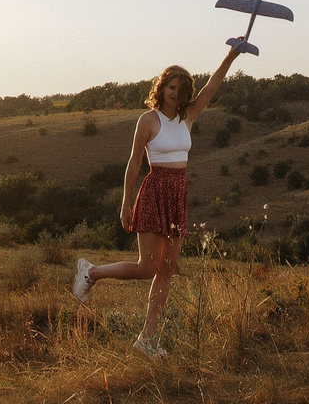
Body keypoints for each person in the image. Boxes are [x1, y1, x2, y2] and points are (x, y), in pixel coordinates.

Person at [73, 42, 247, 357]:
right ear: (162, 87)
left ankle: (147, 338)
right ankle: (91, 272)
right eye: (170, 86)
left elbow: (212, 86)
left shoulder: (189, 115)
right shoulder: (148, 120)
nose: (173, 93)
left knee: (167, 269)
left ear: (184, 94)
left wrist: (231, 56)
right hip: (155, 191)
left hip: (178, 192)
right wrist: (126, 203)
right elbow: (134, 163)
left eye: (180, 89)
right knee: (147, 267)